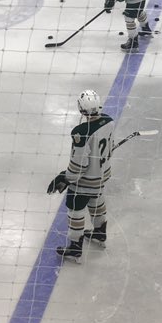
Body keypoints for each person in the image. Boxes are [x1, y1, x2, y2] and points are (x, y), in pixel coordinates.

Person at [47, 90, 114, 262]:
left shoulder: (81, 132)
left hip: (85, 182)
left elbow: (79, 166)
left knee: (75, 209)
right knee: (97, 201)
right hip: (102, 176)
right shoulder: (109, 121)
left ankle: (75, 247)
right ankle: (100, 232)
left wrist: (65, 177)